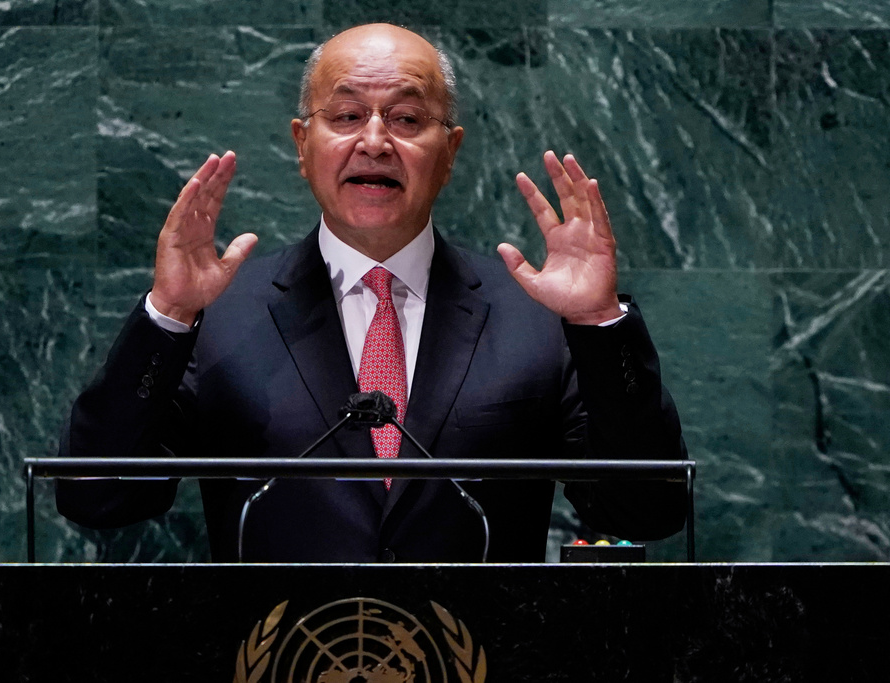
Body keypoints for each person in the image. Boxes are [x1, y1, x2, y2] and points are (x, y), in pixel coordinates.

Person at [57, 23, 687, 562]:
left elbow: (646, 510)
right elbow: (99, 497)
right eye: (347, 115)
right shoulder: (219, 312)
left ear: (450, 152)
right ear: (303, 145)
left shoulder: (538, 313)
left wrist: (599, 323)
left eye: (409, 118)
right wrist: (168, 316)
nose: (376, 141)